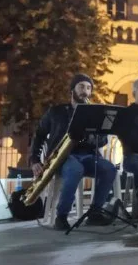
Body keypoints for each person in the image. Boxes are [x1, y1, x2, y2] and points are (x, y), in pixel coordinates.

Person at [29, 73, 115, 231]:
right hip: (62, 158)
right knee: (75, 169)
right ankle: (61, 217)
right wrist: (34, 160)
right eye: (81, 87)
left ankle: (95, 212)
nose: (85, 91)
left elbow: (103, 141)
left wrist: (94, 135)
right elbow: (39, 134)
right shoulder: (56, 112)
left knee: (109, 169)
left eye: (88, 88)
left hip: (88, 156)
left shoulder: (95, 114)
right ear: (72, 90)